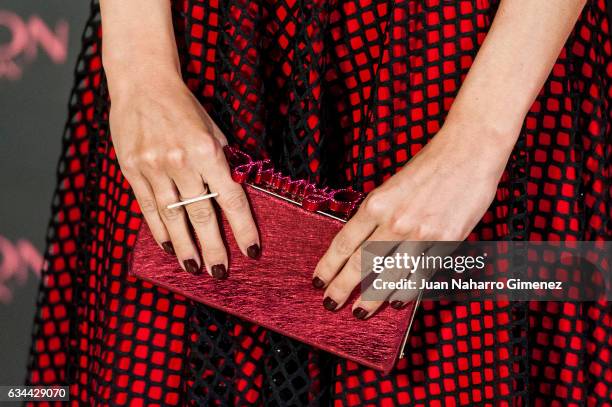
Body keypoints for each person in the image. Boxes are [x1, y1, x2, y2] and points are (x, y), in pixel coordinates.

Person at [27, 0, 611, 405]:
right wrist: (140, 71)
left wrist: (479, 139)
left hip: (470, 58)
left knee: (447, 368)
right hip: (202, 54)